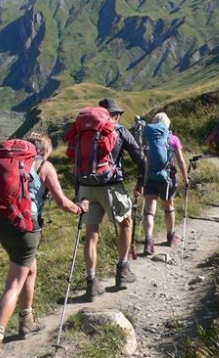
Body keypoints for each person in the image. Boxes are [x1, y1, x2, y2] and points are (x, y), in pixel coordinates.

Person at [0, 133, 89, 358]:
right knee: (15, 282)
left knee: (30, 267)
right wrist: (79, 208)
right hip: (25, 229)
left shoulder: (9, 162)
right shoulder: (44, 166)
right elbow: (62, 202)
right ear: (44, 150)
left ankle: (26, 319)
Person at [77, 98, 145, 299]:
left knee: (91, 233)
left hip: (86, 187)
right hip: (111, 186)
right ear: (114, 114)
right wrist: (140, 183)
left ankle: (91, 282)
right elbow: (141, 158)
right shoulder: (120, 131)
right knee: (126, 223)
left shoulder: (84, 131)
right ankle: (123, 270)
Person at [142, 112, 189, 255]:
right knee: (168, 207)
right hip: (168, 178)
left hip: (150, 176)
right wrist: (186, 178)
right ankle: (171, 236)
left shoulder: (148, 138)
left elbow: (143, 159)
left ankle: (148, 240)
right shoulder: (173, 139)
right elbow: (180, 160)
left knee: (150, 209)